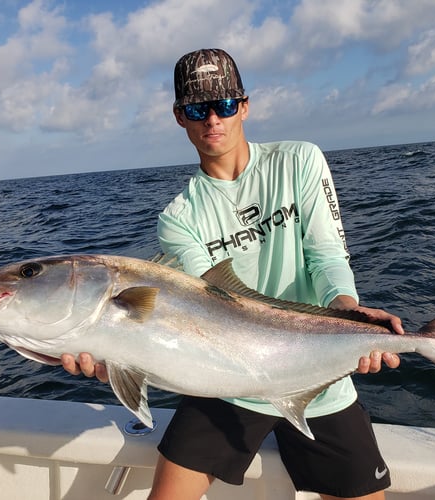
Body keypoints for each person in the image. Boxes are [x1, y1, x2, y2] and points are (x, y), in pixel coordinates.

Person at [62, 48, 404, 500]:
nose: (212, 120)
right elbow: (207, 311)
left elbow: (326, 256)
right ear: (179, 117)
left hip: (316, 378)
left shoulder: (298, 160)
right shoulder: (179, 216)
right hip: (225, 383)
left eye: (223, 106)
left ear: (244, 105)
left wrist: (348, 313)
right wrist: (120, 357)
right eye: (196, 109)